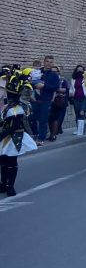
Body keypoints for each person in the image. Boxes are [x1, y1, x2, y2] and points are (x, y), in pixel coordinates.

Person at [0, 67, 37, 196]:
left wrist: (1, 135)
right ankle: (3, 183)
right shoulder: (7, 107)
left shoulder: (19, 108)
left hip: (15, 137)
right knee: (3, 161)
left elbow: (15, 126)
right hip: (5, 137)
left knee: (11, 161)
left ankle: (10, 186)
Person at [32, 55, 59, 145]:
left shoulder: (54, 75)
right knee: (33, 118)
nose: (48, 64)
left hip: (46, 100)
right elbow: (30, 82)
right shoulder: (36, 72)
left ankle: (41, 138)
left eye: (51, 62)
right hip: (34, 99)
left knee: (43, 120)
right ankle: (36, 135)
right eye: (47, 61)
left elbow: (56, 87)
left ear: (53, 63)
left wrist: (44, 86)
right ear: (44, 62)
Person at [69, 65, 86, 136]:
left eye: (81, 70)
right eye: (78, 70)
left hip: (84, 98)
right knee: (77, 114)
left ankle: (82, 130)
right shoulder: (73, 79)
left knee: (82, 113)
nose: (80, 71)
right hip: (76, 98)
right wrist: (70, 93)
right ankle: (78, 129)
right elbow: (71, 88)